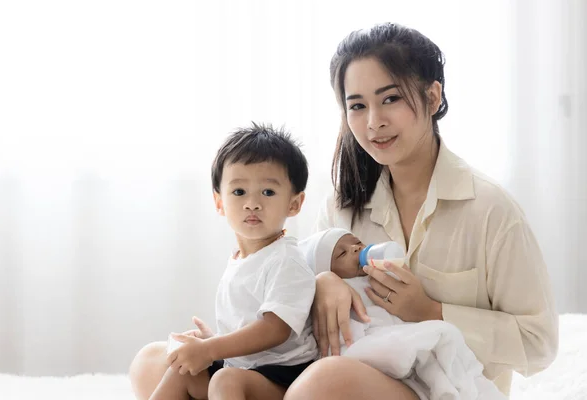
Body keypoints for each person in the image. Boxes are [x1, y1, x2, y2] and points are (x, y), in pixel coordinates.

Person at [283, 22, 558, 400]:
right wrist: (321, 283)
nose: (374, 122)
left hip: (458, 392)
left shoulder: (492, 211)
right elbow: (295, 310)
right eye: (358, 106)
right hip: (358, 385)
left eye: (390, 99)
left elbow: (539, 343)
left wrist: (432, 311)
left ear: (432, 98)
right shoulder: (340, 208)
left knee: (322, 382)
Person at [129, 123, 318, 400]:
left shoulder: (287, 259)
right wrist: (211, 340)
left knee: (225, 381)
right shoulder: (241, 259)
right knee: (182, 370)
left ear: (294, 204)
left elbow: (274, 329)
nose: (252, 203)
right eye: (239, 192)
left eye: (268, 192)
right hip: (244, 365)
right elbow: (244, 323)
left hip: (283, 375)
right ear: (219, 202)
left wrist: (211, 349)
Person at [299, 228, 506, 399]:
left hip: (397, 347)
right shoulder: (334, 290)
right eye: (342, 253)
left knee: (440, 346)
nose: (355, 249)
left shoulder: (382, 277)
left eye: (357, 243)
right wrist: (323, 281)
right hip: (362, 349)